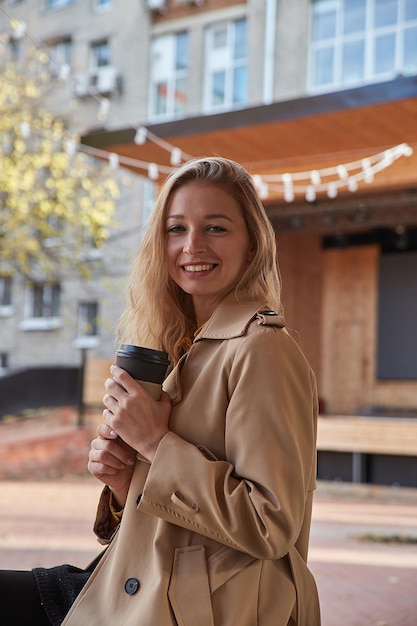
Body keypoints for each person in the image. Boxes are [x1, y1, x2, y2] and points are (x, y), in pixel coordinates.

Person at [0, 156, 320, 625]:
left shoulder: (262, 350)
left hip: (199, 608)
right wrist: (124, 482)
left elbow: (269, 523)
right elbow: (178, 505)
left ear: (252, 244)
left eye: (215, 228)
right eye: (176, 229)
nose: (192, 245)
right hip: (145, 584)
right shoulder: (186, 347)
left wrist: (154, 442)